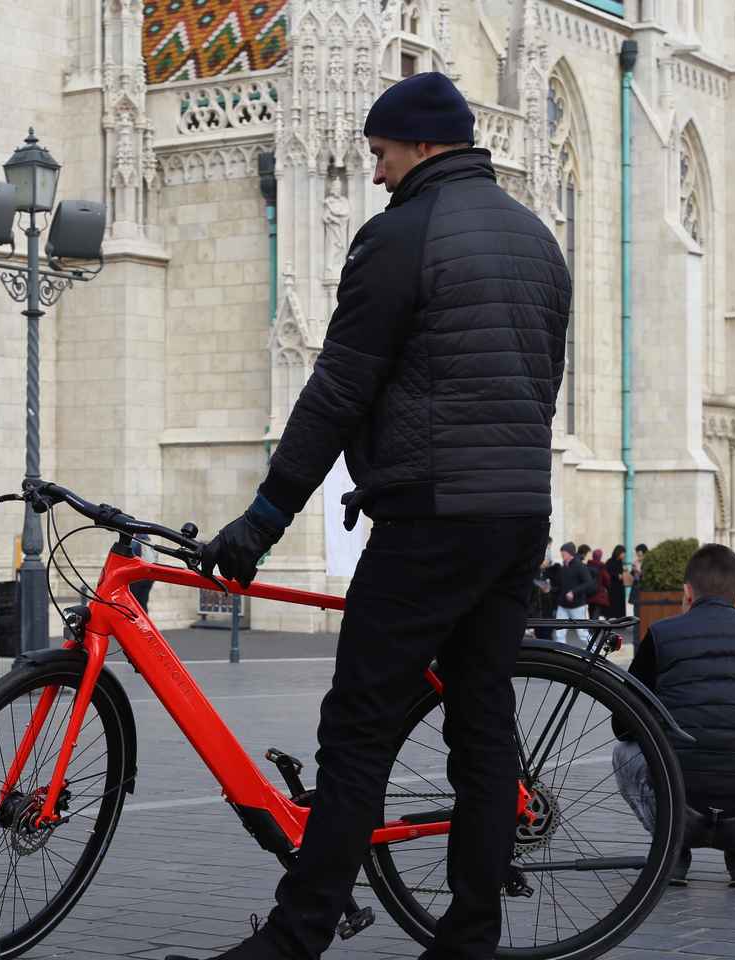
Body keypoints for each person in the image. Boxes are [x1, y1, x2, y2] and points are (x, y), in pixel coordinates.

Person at [189, 72, 570, 960]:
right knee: (483, 727)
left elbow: (338, 388)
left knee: (358, 728)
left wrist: (264, 518)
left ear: (422, 144)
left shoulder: (400, 236)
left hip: (433, 519)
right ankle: (469, 937)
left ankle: (299, 934)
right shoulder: (536, 239)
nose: (374, 172)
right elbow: (534, 384)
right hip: (517, 511)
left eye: (381, 152)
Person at [612, 544, 735, 888]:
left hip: (678, 812)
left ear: (687, 592)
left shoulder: (662, 634)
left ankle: (672, 852)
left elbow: (623, 725)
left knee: (624, 752)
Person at [554, 542, 594, 646]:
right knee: (559, 634)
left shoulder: (580, 566)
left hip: (578, 606)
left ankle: (595, 652)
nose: (562, 555)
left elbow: (589, 583)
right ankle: (560, 653)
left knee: (583, 634)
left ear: (570, 553)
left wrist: (573, 592)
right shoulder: (563, 567)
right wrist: (550, 588)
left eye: (563, 553)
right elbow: (561, 585)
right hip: (562, 605)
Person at [605, 545, 629, 621]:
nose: (624, 555)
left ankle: (620, 621)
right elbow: (607, 573)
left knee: (620, 607)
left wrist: (625, 572)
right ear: (618, 553)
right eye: (623, 553)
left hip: (620, 587)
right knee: (612, 606)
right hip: (612, 588)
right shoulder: (610, 562)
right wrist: (616, 575)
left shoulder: (620, 562)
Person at [587, 547, 612, 621]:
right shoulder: (601, 567)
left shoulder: (588, 566)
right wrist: (607, 587)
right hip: (599, 594)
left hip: (589, 593)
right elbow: (607, 579)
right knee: (596, 614)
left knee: (591, 613)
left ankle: (591, 625)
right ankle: (593, 627)